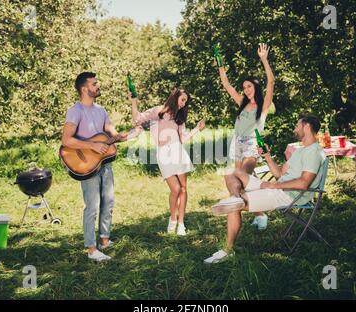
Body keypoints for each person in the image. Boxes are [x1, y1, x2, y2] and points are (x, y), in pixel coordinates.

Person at [204, 114, 326, 264]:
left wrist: (274, 185)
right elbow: (279, 173)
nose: (295, 129)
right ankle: (236, 198)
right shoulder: (300, 150)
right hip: (279, 187)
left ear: (307, 127)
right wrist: (267, 156)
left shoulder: (313, 152)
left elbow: (303, 184)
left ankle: (227, 250)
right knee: (231, 172)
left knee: (232, 208)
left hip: (288, 195)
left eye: (297, 125)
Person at [62, 72, 135, 262]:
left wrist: (128, 135)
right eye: (94, 84)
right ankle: (92, 249)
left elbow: (112, 133)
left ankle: (104, 239)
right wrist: (92, 145)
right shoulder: (75, 111)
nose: (98, 86)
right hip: (85, 164)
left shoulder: (101, 110)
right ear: (85, 88)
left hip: (104, 163)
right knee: (92, 206)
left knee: (108, 202)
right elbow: (66, 140)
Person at [130, 88, 205, 235]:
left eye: (186, 102)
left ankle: (181, 224)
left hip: (178, 152)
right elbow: (137, 119)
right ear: (175, 97)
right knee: (175, 189)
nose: (184, 104)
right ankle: (173, 219)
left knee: (183, 188)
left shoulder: (179, 117)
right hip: (163, 154)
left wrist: (197, 129)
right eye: (182, 100)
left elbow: (182, 139)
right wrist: (133, 101)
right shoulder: (158, 111)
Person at [217, 43, 275, 230]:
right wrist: (220, 64)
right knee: (236, 180)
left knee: (243, 177)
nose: (246, 89)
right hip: (237, 143)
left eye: (249, 86)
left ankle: (252, 210)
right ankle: (258, 213)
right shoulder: (242, 102)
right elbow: (226, 84)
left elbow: (271, 82)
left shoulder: (263, 105)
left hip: (251, 144)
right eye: (244, 87)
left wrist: (264, 60)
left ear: (255, 87)